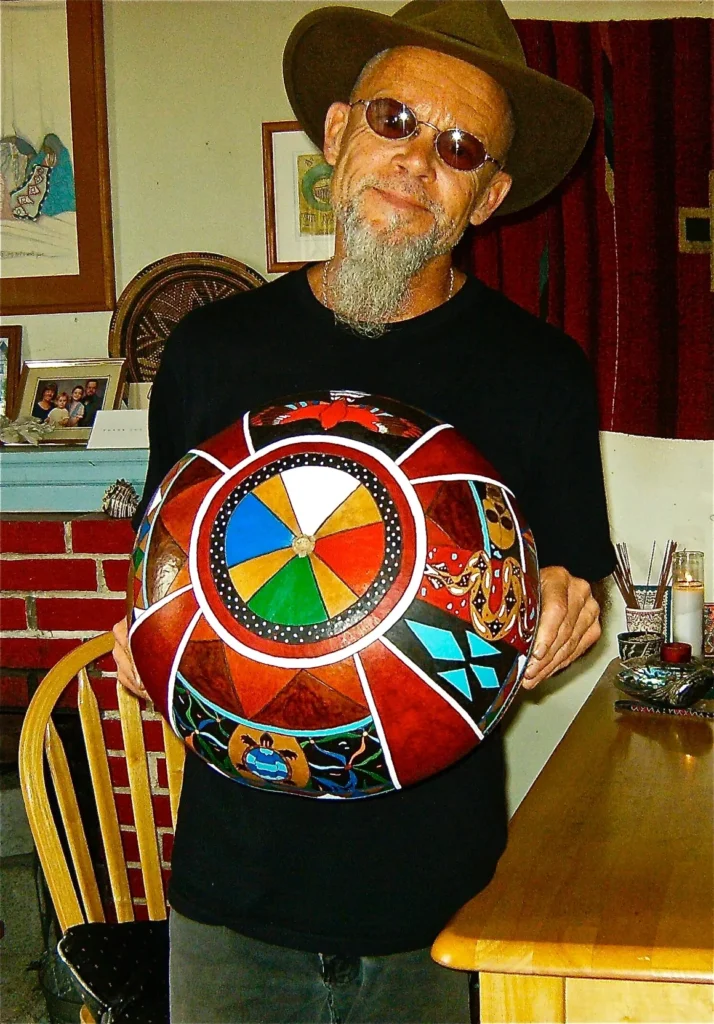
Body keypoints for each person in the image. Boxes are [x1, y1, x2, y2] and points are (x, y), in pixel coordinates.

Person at [113, 3, 615, 1021]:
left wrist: (569, 606)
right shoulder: (213, 352)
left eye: (459, 145)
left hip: (439, 900)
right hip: (235, 898)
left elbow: (569, 578)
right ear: (338, 133)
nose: (416, 159)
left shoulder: (540, 372)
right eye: (395, 118)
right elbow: (166, 574)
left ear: (490, 195)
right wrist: (144, 641)